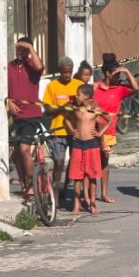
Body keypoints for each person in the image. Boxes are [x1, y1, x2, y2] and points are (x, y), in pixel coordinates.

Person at [94, 55, 139, 203]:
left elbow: (136, 88)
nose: (120, 76)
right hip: (92, 130)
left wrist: (126, 71)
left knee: (104, 162)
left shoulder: (119, 89)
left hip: (108, 132)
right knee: (91, 162)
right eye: (117, 73)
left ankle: (104, 193)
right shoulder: (95, 87)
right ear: (108, 74)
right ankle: (89, 195)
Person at [62, 84, 112, 216]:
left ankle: (92, 204)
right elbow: (65, 119)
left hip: (92, 144)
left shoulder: (94, 108)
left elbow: (109, 120)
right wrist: (72, 131)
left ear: (87, 96)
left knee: (92, 175)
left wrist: (100, 133)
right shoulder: (75, 108)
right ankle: (76, 205)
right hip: (78, 144)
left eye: (79, 94)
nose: (77, 96)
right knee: (77, 176)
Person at [6, 37, 45, 200]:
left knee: (24, 148)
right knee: (15, 154)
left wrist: (30, 47)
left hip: (31, 115)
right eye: (18, 49)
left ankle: (32, 184)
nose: (20, 52)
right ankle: (23, 183)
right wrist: (8, 101)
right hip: (14, 117)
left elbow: (40, 66)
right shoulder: (9, 66)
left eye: (23, 49)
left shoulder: (32, 66)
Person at [41, 57, 80, 189]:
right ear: (59, 71)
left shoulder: (78, 85)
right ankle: (55, 195)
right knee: (59, 163)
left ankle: (66, 186)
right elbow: (47, 109)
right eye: (64, 72)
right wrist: (63, 107)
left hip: (75, 130)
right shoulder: (52, 86)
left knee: (74, 162)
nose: (67, 75)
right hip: (58, 130)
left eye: (70, 72)